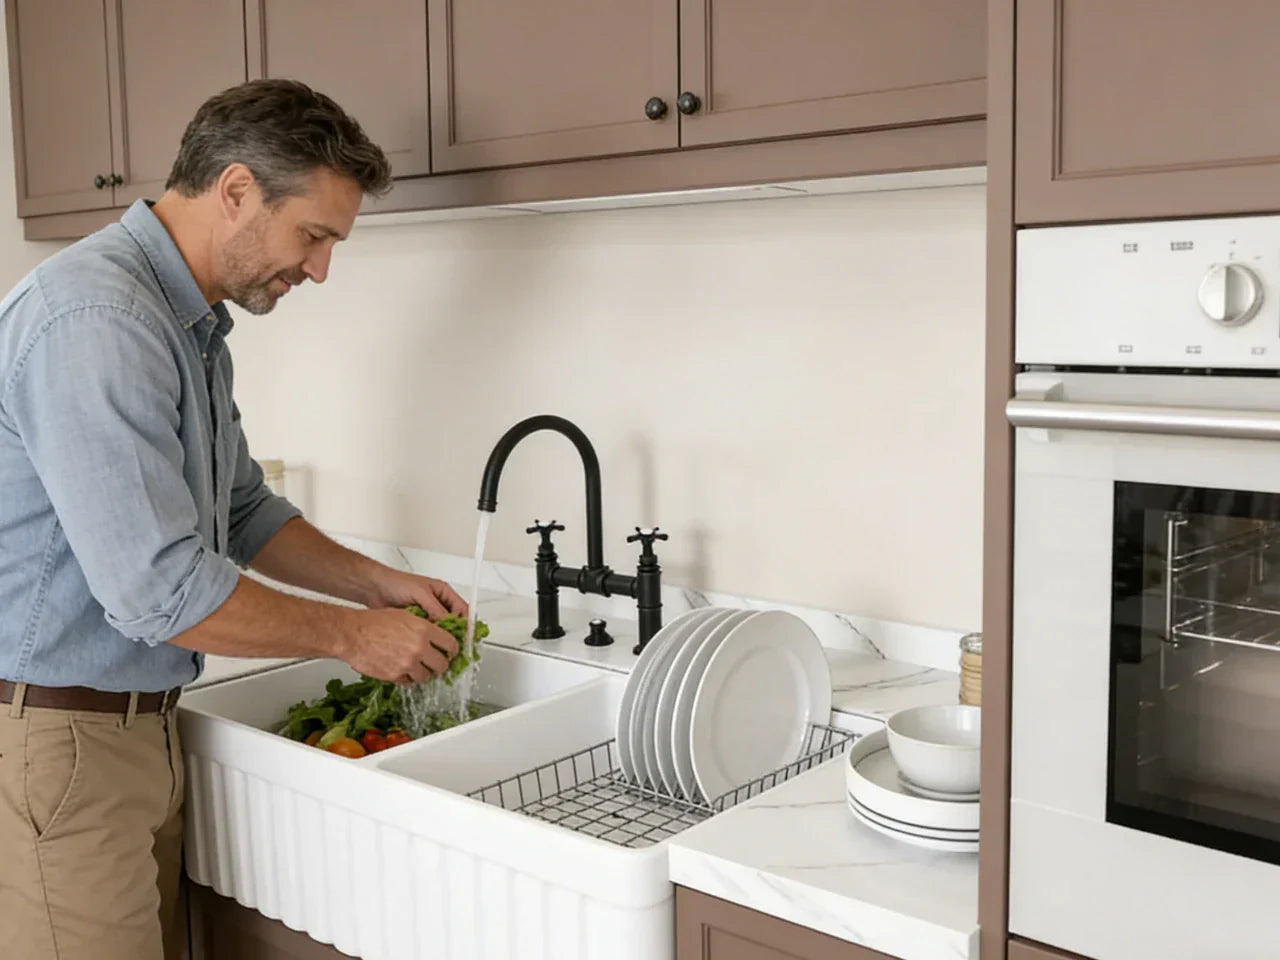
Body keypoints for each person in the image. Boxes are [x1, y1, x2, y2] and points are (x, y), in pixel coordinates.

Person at [0, 79, 467, 960]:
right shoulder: (101, 317)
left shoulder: (184, 322)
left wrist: (379, 583)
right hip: (59, 743)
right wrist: (352, 636)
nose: (320, 269)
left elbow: (241, 507)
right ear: (238, 190)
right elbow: (158, 590)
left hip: (130, 732)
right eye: (315, 236)